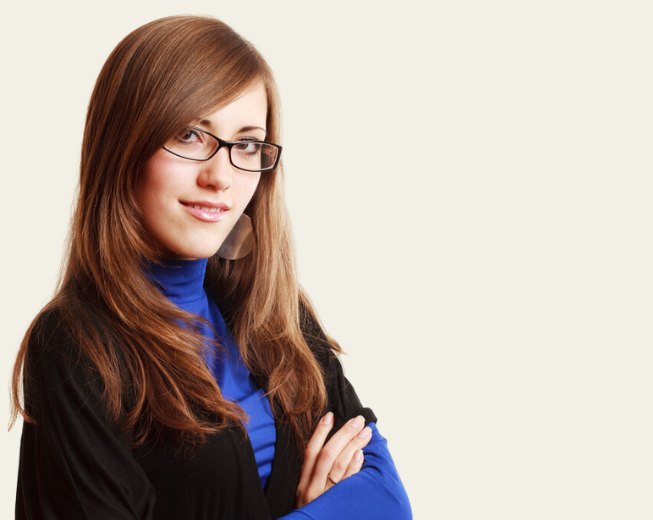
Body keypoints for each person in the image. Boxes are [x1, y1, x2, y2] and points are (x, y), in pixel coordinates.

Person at [11, 15, 412, 520]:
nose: (220, 176)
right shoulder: (77, 344)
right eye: (189, 134)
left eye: (246, 143)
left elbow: (389, 500)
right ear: (124, 146)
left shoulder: (275, 315)